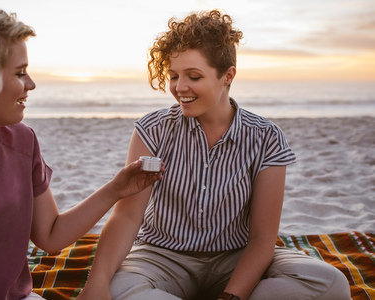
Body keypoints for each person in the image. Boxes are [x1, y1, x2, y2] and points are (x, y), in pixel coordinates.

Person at [77, 9, 351, 300]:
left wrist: (232, 296)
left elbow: (262, 238)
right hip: (161, 258)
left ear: (227, 75)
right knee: (119, 290)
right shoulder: (152, 129)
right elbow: (128, 217)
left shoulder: (265, 137)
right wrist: (97, 284)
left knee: (331, 283)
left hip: (236, 258)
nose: (179, 87)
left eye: (193, 76)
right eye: (173, 76)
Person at [0, 5, 163, 300]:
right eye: (20, 73)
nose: (31, 84)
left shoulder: (22, 141)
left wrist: (115, 190)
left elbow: (50, 235)